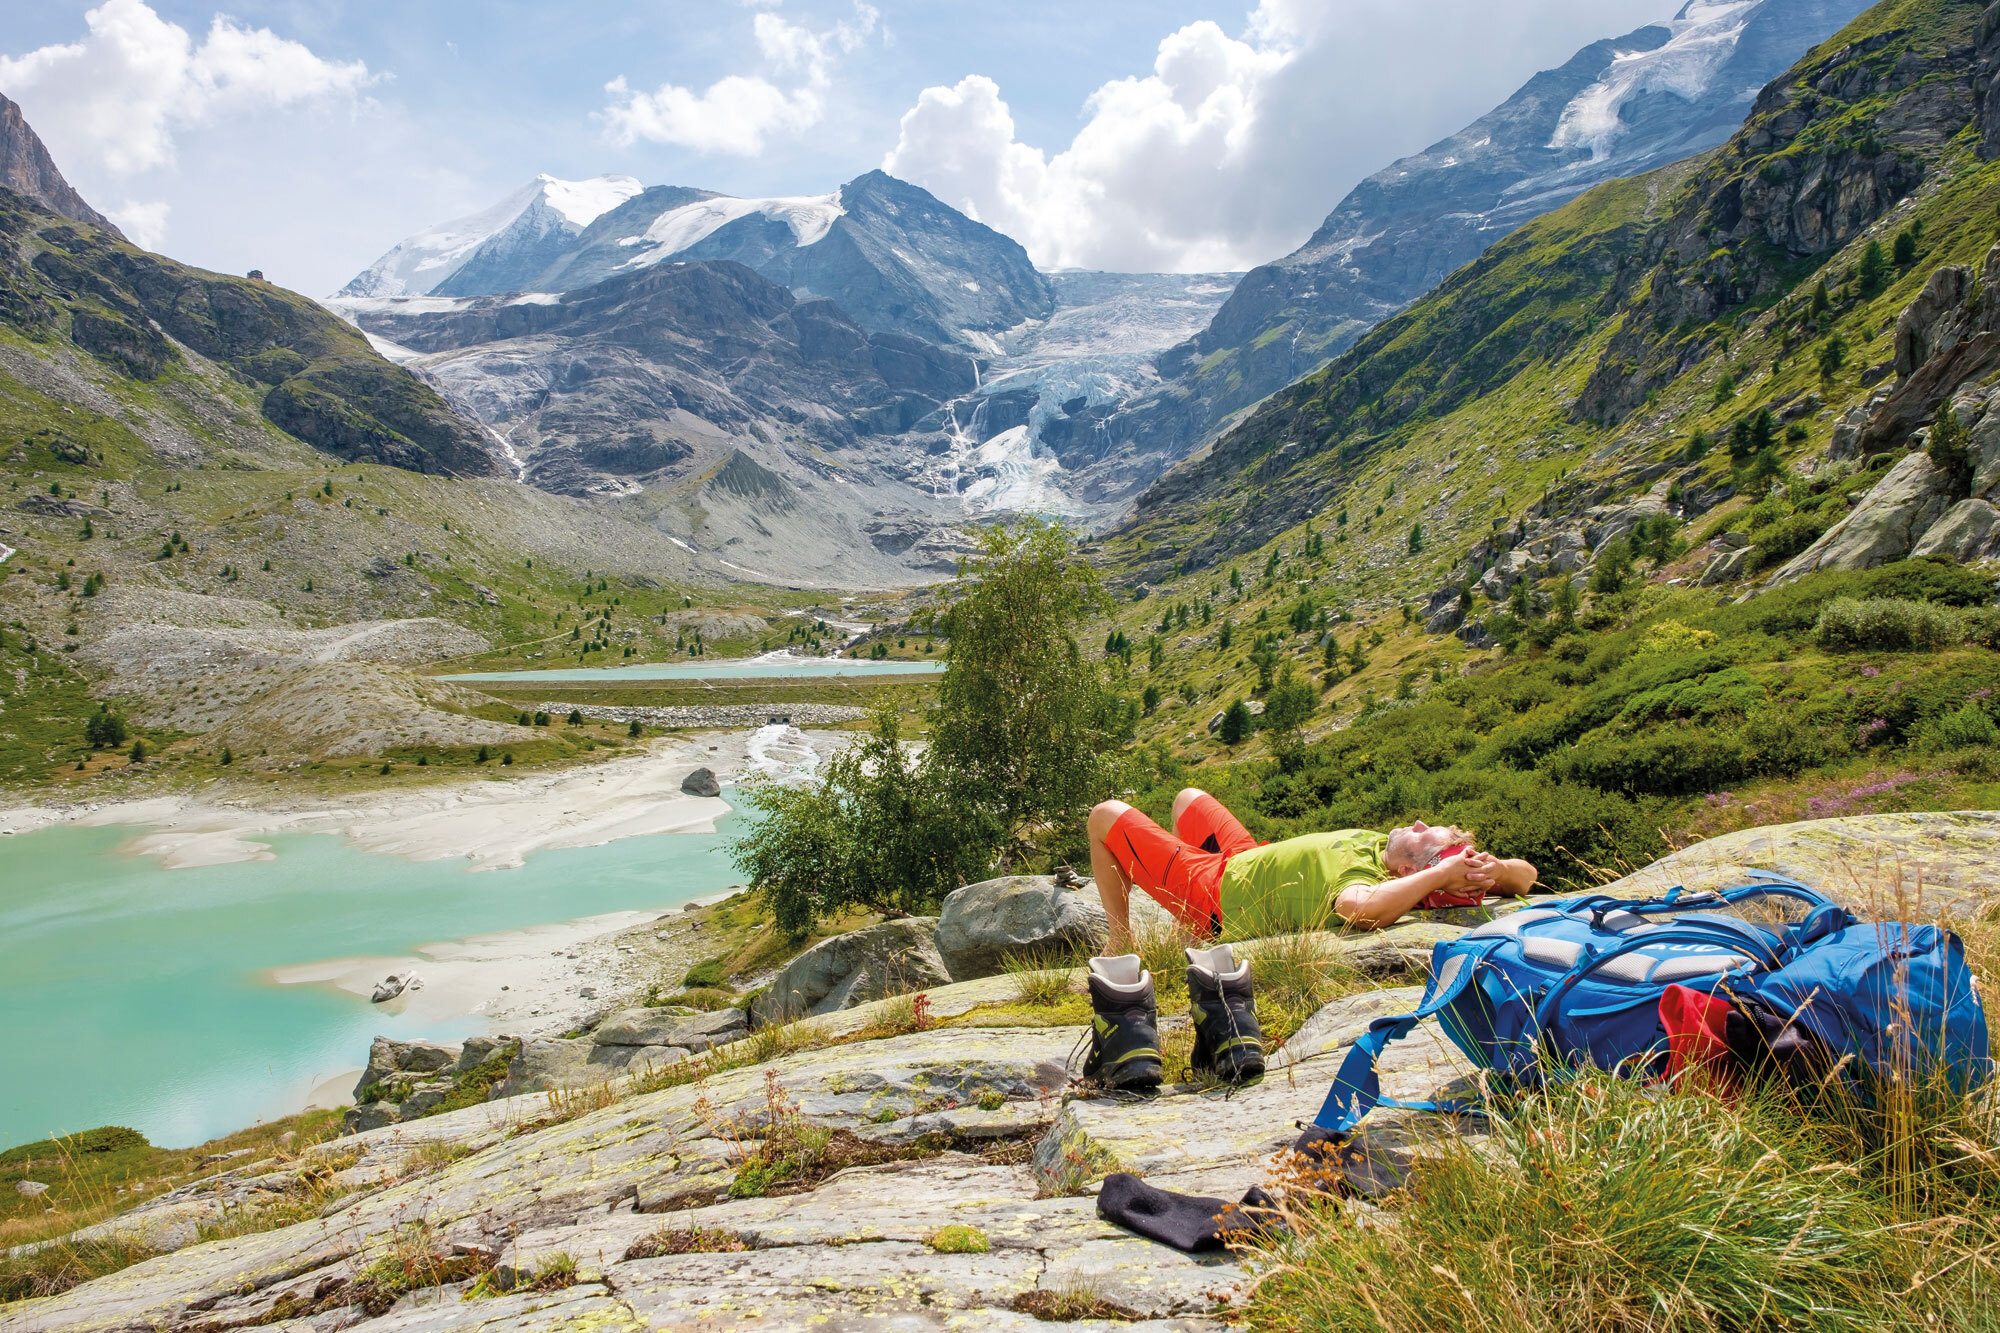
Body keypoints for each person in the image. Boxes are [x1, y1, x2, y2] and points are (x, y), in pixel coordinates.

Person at [1088, 788, 1539, 953]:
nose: (1418, 823)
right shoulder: (1387, 854)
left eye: (1426, 834)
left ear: (1409, 869)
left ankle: (1123, 939)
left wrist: (1442, 877)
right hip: (1244, 857)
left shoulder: (1370, 883)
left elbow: (1360, 911)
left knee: (1104, 816)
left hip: (1216, 891)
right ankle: (1188, 931)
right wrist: (1495, 868)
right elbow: (1528, 876)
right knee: (1188, 798)